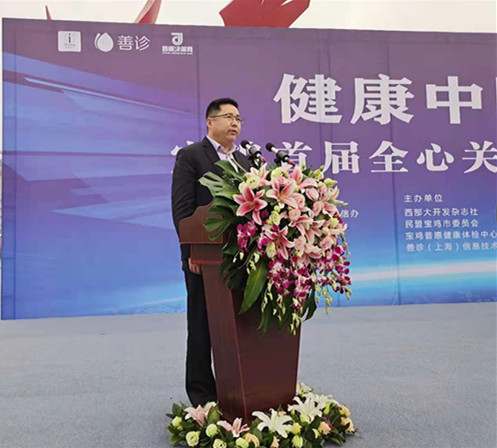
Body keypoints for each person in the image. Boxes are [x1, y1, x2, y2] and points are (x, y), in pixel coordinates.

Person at [171, 98, 251, 406]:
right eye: (228, 117)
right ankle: (202, 395)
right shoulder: (191, 156)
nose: (234, 123)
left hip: (240, 258)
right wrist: (190, 252)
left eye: (238, 118)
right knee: (202, 326)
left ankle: (239, 388)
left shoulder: (245, 162)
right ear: (210, 121)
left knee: (239, 326)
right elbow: (182, 209)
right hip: (203, 259)